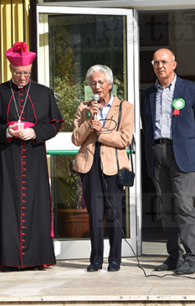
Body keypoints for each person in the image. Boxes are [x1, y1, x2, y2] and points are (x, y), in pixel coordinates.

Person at [0, 42, 63, 271]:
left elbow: (54, 124)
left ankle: (36, 258)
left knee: (35, 204)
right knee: (6, 204)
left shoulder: (43, 92)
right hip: (7, 156)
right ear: (10, 70)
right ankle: (7, 258)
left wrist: (35, 131)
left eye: (26, 73)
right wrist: (6, 131)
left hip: (34, 156)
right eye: (18, 73)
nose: (23, 77)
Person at [140, 48, 195, 275]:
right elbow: (146, 128)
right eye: (156, 62)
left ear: (174, 64)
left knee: (184, 206)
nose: (160, 66)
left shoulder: (191, 89)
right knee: (167, 208)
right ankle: (174, 255)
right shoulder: (148, 94)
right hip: (157, 154)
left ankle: (191, 257)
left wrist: (191, 149)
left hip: (182, 155)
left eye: (164, 61)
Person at [72, 65, 133, 273]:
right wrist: (89, 122)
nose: (96, 87)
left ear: (110, 84)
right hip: (89, 165)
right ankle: (96, 258)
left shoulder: (125, 107)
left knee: (114, 213)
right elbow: (75, 139)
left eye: (100, 82)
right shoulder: (84, 107)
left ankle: (115, 258)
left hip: (113, 166)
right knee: (95, 214)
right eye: (93, 83)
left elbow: (125, 138)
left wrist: (102, 133)